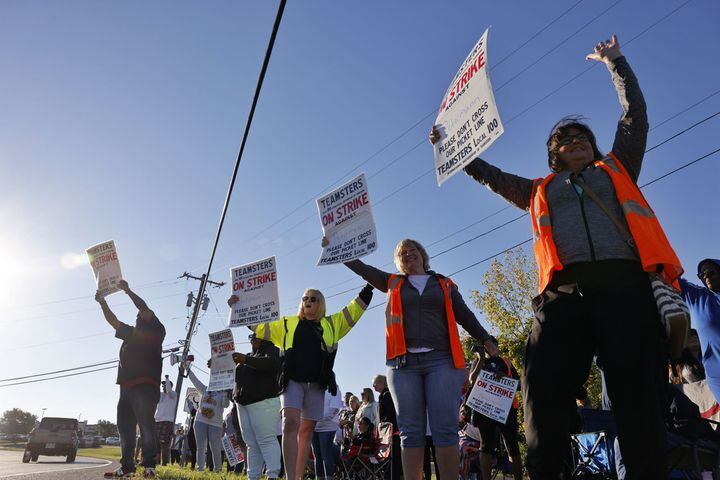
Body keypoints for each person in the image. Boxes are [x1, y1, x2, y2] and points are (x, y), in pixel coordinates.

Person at [431, 34, 681, 479]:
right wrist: (453, 149)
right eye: (565, 139)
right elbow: (491, 176)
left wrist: (616, 63)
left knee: (638, 398)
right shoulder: (539, 191)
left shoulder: (618, 167)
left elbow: (634, 117)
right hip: (563, 297)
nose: (575, 141)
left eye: (582, 136)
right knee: (541, 387)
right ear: (553, 156)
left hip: (625, 290)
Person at [340, 238, 497, 480]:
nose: (408, 254)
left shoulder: (444, 284)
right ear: (398, 262)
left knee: (445, 429)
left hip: (442, 362)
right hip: (404, 366)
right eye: (402, 253)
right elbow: (365, 270)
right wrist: (338, 251)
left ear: (423, 255)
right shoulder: (393, 282)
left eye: (412, 250)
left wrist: (485, 338)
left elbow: (464, 314)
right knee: (410, 432)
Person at [230, 283, 373, 480]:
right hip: (292, 383)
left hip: (316, 385)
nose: (308, 302)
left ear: (320, 304)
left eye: (313, 299)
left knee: (306, 432)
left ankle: (297, 476)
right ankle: (290, 477)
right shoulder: (287, 323)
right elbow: (261, 327)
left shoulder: (332, 324)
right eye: (305, 298)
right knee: (289, 424)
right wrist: (238, 308)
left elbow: (351, 313)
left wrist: (367, 290)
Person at [96, 279, 165, 479]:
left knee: (145, 426)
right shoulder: (131, 334)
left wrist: (127, 291)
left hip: (145, 386)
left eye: (141, 315)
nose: (138, 316)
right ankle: (127, 467)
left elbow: (143, 307)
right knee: (125, 429)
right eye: (137, 315)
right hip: (125, 387)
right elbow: (113, 321)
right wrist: (102, 302)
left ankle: (149, 466)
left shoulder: (156, 330)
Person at [466, 340, 522, 480]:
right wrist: (481, 359)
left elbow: (520, 385)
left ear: (496, 347)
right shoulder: (478, 361)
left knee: (512, 445)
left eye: (492, 345)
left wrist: (506, 378)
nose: (489, 349)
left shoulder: (506, 362)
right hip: (485, 410)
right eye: (486, 347)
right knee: (486, 446)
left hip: (507, 410)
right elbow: (472, 380)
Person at [232, 332, 282, 480]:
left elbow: (271, 364)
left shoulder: (272, 350)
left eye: (256, 336)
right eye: (251, 337)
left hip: (263, 402)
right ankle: (252, 476)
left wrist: (246, 360)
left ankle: (272, 475)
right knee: (251, 444)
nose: (253, 339)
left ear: (265, 336)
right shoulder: (247, 356)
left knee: (266, 440)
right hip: (243, 404)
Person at [679, 259, 720, 402]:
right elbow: (672, 278)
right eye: (701, 275)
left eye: (710, 272)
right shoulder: (698, 297)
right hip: (717, 376)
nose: (706, 277)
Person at [186, 362, 230, 472]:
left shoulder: (223, 392)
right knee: (200, 447)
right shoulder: (205, 389)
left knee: (215, 448)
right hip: (200, 421)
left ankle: (217, 470)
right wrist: (187, 367)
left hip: (215, 424)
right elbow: (195, 380)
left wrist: (225, 394)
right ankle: (200, 469)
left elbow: (226, 405)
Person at [373, 374, 402, 480]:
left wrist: (382, 425)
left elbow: (390, 414)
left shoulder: (387, 395)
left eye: (375, 383)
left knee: (392, 459)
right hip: (387, 433)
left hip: (391, 433)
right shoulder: (384, 395)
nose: (373, 385)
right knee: (388, 459)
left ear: (382, 383)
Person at [312, 387, 344, 480]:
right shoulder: (315, 388)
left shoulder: (335, 389)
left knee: (326, 453)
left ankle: (328, 478)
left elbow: (334, 408)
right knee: (317, 455)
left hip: (328, 426)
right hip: (314, 425)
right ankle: (319, 477)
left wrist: (321, 419)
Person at [154, 375, 177, 466]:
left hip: (167, 421)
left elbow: (169, 390)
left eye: (165, 386)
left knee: (164, 444)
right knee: (156, 443)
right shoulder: (160, 395)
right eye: (162, 386)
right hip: (157, 421)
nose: (163, 387)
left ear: (170, 386)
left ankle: (164, 464)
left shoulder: (173, 394)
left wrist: (166, 379)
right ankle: (156, 462)